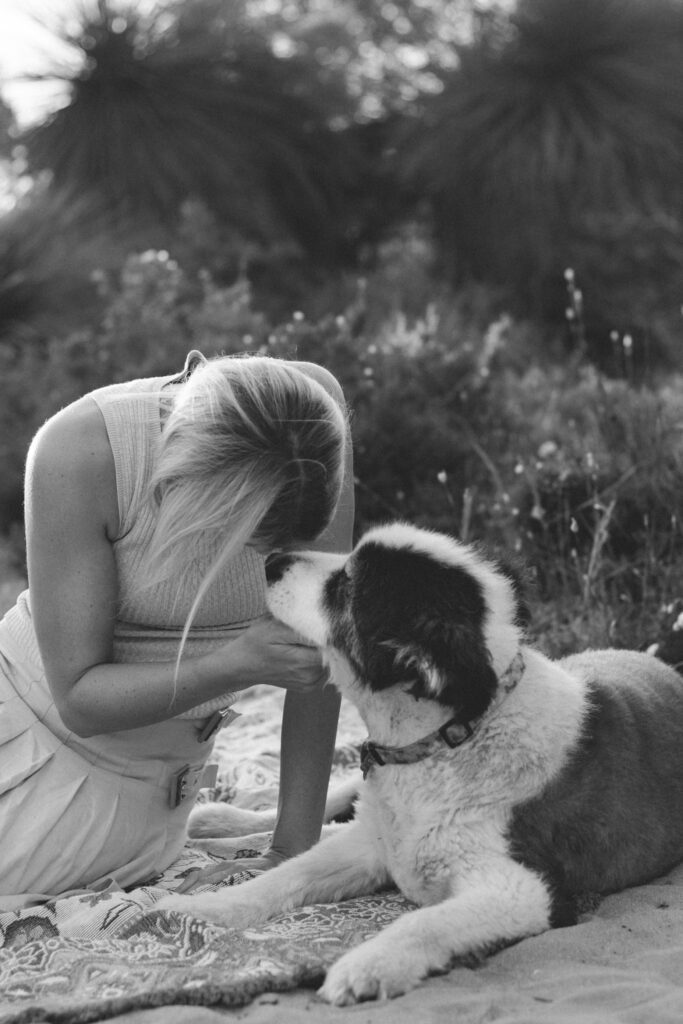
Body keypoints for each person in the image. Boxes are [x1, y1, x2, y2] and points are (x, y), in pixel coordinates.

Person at [0, 351, 354, 909]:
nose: (259, 562)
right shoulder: (80, 452)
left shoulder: (312, 428)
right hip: (42, 738)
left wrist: (292, 850)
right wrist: (234, 665)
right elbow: (79, 701)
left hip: (162, 784)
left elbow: (321, 647)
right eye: (247, 541)